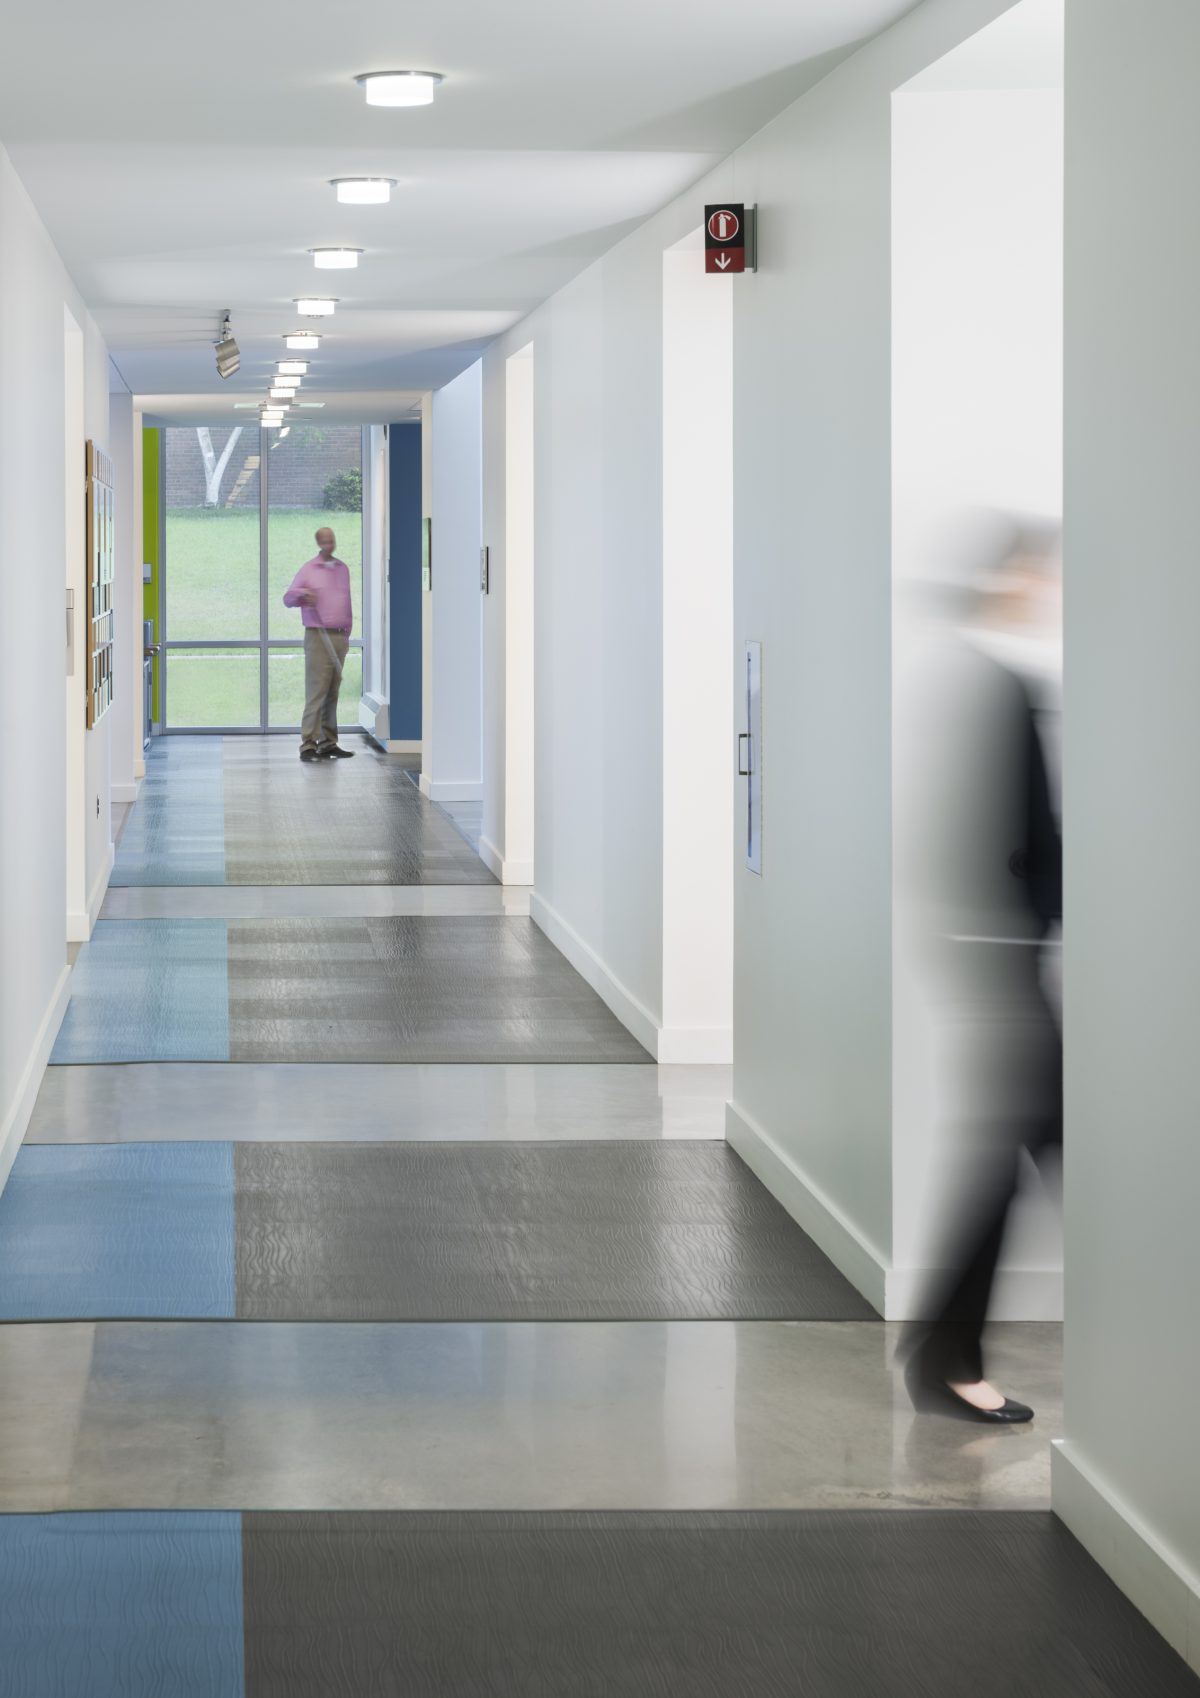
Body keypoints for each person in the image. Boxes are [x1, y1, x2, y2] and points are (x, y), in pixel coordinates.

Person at [896, 513, 1062, 1424]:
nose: (1050, 591)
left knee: (1017, 1157)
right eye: (1040, 575)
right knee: (1022, 1156)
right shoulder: (995, 683)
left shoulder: (974, 677)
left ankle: (945, 1351)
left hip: (996, 960)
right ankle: (947, 1354)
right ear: (1007, 580)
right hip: (1003, 962)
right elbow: (1014, 844)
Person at [282, 526, 356, 761]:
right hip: (318, 635)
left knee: (333, 690)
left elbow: (347, 602)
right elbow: (288, 598)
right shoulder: (309, 569)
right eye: (324, 541)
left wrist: (347, 635)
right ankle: (308, 745)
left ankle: (328, 742)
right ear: (318, 543)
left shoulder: (343, 569)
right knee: (316, 690)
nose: (328, 545)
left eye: (331, 540)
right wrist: (304, 594)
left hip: (339, 636)